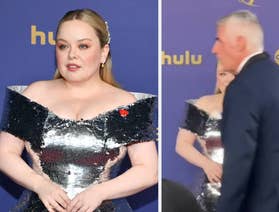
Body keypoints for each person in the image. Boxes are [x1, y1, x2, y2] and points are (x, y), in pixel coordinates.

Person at [0, 9, 157, 212]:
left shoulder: (125, 103)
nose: (72, 55)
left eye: (83, 46)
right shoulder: (34, 94)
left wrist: (99, 192)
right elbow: (4, 153)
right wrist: (40, 185)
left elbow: (148, 170)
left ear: (103, 52)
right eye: (63, 46)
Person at [212, 10, 279, 212]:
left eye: (219, 41)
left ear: (239, 43)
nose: (214, 49)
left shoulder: (243, 87)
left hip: (264, 204)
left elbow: (239, 160)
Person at [175, 62, 235, 212]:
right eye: (222, 74)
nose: (227, 80)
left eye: (234, 74)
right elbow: (182, 145)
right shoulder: (203, 105)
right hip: (212, 191)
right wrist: (207, 164)